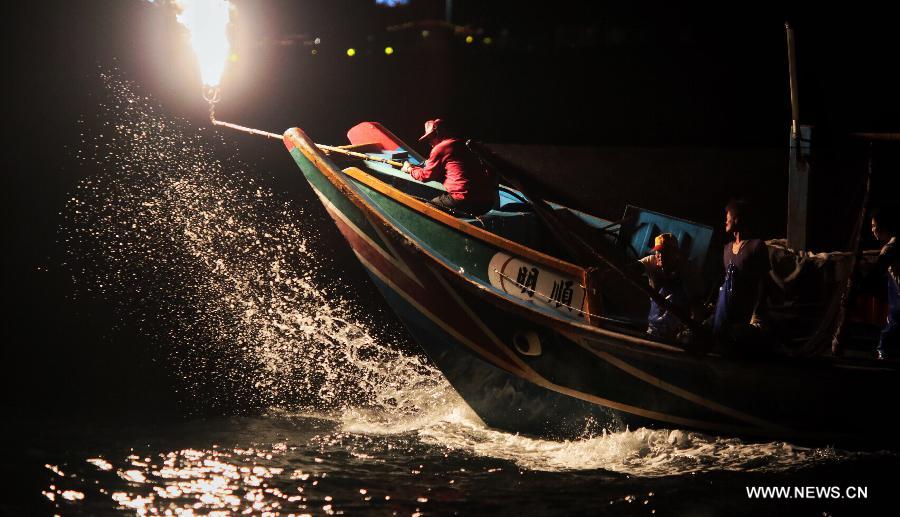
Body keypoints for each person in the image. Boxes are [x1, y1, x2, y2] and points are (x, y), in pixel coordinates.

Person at [401, 119, 498, 216]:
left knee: (426, 210)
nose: (430, 143)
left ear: (437, 134)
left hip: (465, 199)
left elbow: (425, 176)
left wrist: (409, 169)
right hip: (487, 201)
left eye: (430, 138)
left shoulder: (441, 148)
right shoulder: (462, 143)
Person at [712, 199, 772, 351]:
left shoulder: (756, 246)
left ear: (737, 219)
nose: (725, 221)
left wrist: (757, 314)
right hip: (726, 314)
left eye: (728, 217)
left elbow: (763, 282)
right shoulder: (727, 249)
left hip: (745, 315)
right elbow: (725, 285)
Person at [638, 233, 693, 343]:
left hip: (675, 329)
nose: (661, 256)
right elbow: (633, 268)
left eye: (666, 252)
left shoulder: (687, 269)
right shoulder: (651, 261)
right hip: (653, 325)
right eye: (658, 252)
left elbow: (695, 301)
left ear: (676, 254)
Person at [870, 206, 900, 359]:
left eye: (874, 226)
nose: (873, 230)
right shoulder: (893, 244)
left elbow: (876, 271)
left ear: (884, 226)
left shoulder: (890, 248)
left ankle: (883, 350)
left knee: (894, 323)